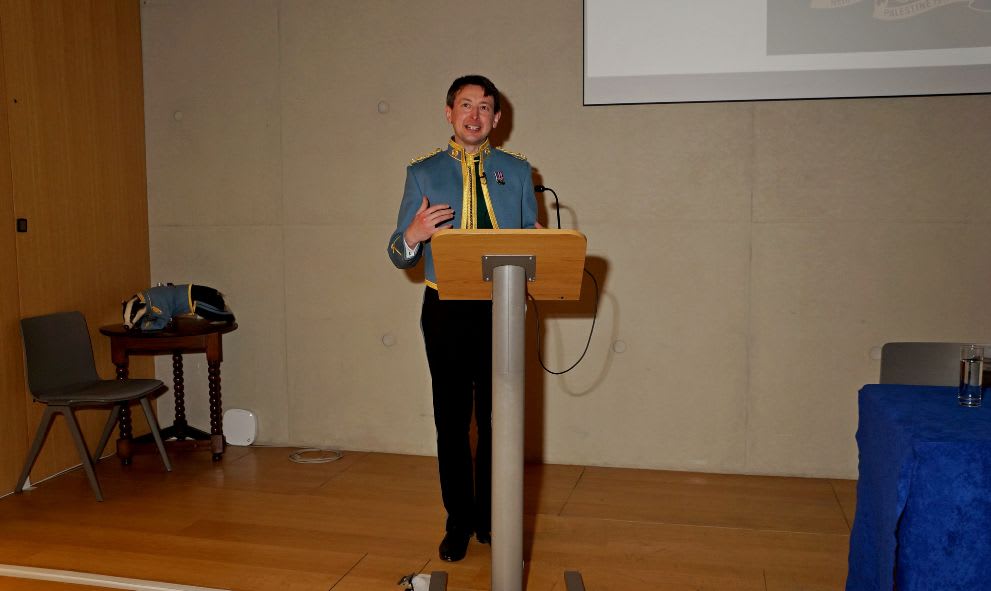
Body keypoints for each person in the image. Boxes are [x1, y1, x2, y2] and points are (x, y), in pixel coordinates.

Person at [387, 74, 538, 562]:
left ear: (497, 118)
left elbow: (535, 247)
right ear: (449, 113)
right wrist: (413, 233)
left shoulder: (517, 172)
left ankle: (494, 519)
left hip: (503, 309)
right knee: (451, 422)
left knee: (500, 421)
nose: (475, 115)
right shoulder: (423, 172)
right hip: (445, 310)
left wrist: (541, 241)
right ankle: (458, 521)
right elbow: (398, 254)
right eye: (465, 105)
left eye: (485, 107)